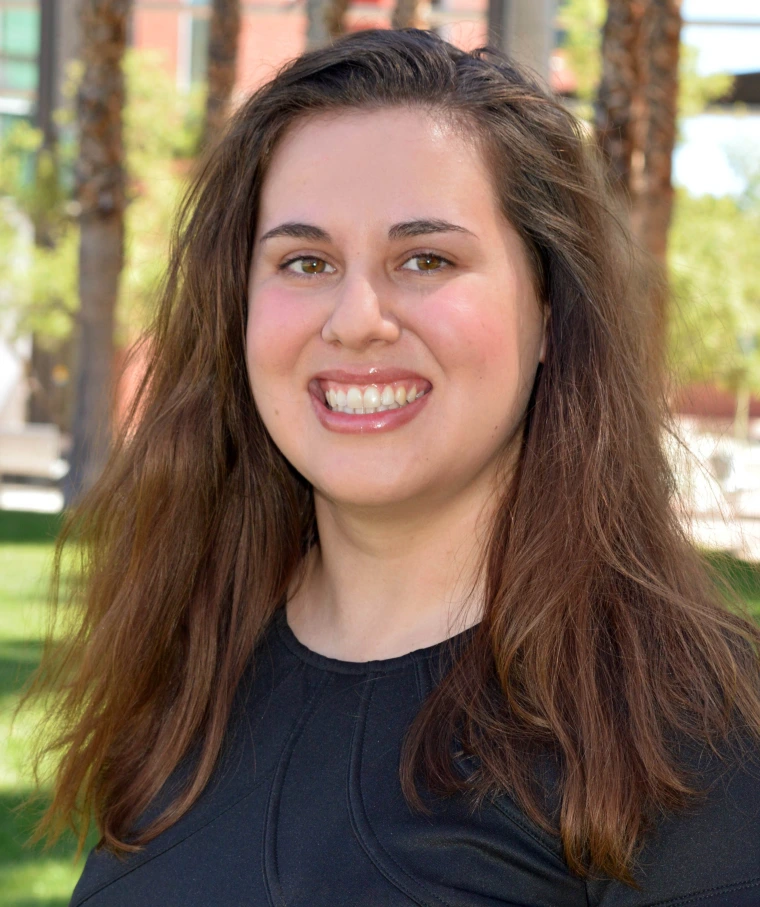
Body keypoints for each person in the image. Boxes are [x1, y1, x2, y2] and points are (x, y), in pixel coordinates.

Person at [28, 27, 760, 906]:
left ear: (549, 311)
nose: (356, 319)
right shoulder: (189, 663)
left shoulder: (691, 727)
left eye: (426, 259)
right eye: (306, 261)